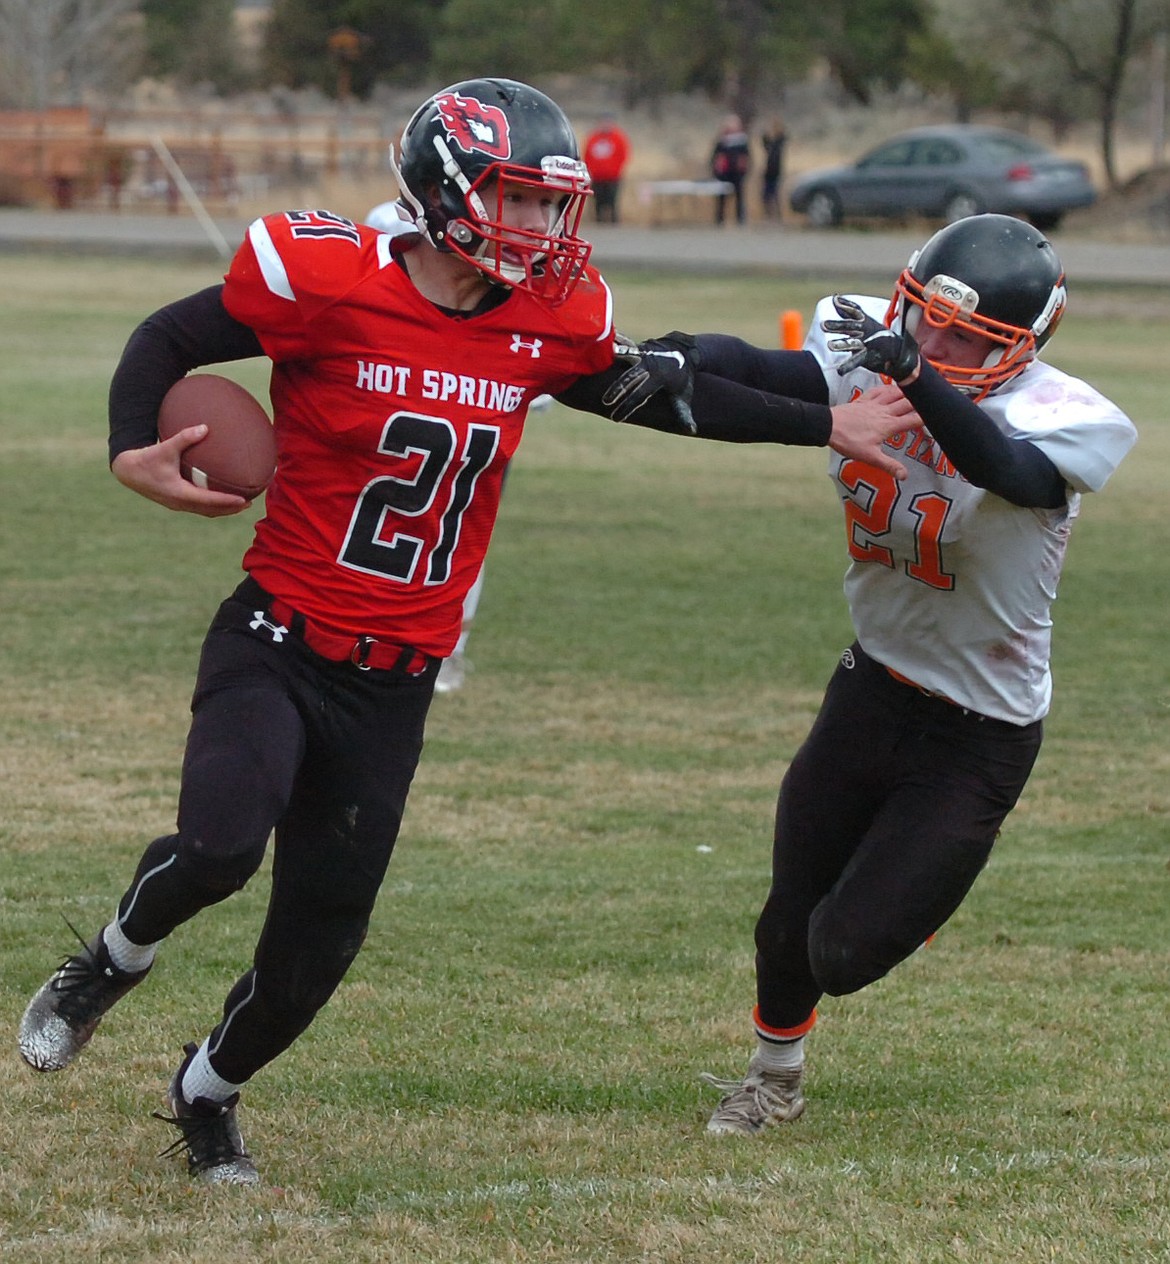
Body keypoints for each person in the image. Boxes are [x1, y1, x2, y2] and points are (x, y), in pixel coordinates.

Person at [16, 76, 915, 1187]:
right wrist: (125, 449)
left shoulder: (547, 321)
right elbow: (170, 335)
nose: (544, 229)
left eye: (552, 204)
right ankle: (110, 959)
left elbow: (665, 395)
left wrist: (827, 421)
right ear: (448, 194)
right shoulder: (329, 279)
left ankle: (206, 1094)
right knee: (218, 845)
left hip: (395, 681)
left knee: (312, 956)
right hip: (278, 632)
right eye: (521, 200)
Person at [646, 214, 1136, 1134]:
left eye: (968, 338)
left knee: (844, 949)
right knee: (790, 913)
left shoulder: (1057, 415)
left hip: (981, 730)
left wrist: (908, 370)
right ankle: (773, 1080)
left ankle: (918, 893)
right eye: (926, 322)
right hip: (872, 683)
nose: (936, 344)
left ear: (1022, 349)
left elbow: (1006, 468)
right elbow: (762, 367)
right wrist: (671, 353)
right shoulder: (885, 342)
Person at [583, 113, 631, 224]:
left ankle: (613, 221)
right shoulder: (593, 138)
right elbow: (587, 156)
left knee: (612, 199)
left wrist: (616, 170)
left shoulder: (618, 138)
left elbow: (623, 155)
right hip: (597, 176)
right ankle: (599, 220)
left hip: (613, 177)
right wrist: (591, 170)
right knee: (598, 200)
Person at [710, 113, 751, 226]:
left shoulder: (742, 140)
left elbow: (747, 157)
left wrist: (745, 170)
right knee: (721, 197)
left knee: (739, 197)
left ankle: (740, 219)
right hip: (724, 173)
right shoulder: (722, 141)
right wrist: (715, 170)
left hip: (738, 173)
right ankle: (720, 219)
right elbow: (714, 157)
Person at [759, 117, 787, 220]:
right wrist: (766, 133)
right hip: (768, 171)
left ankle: (777, 216)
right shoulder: (770, 144)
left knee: (775, 194)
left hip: (776, 171)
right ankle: (769, 215)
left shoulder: (780, 142)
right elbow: (764, 142)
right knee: (766, 195)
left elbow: (783, 137)